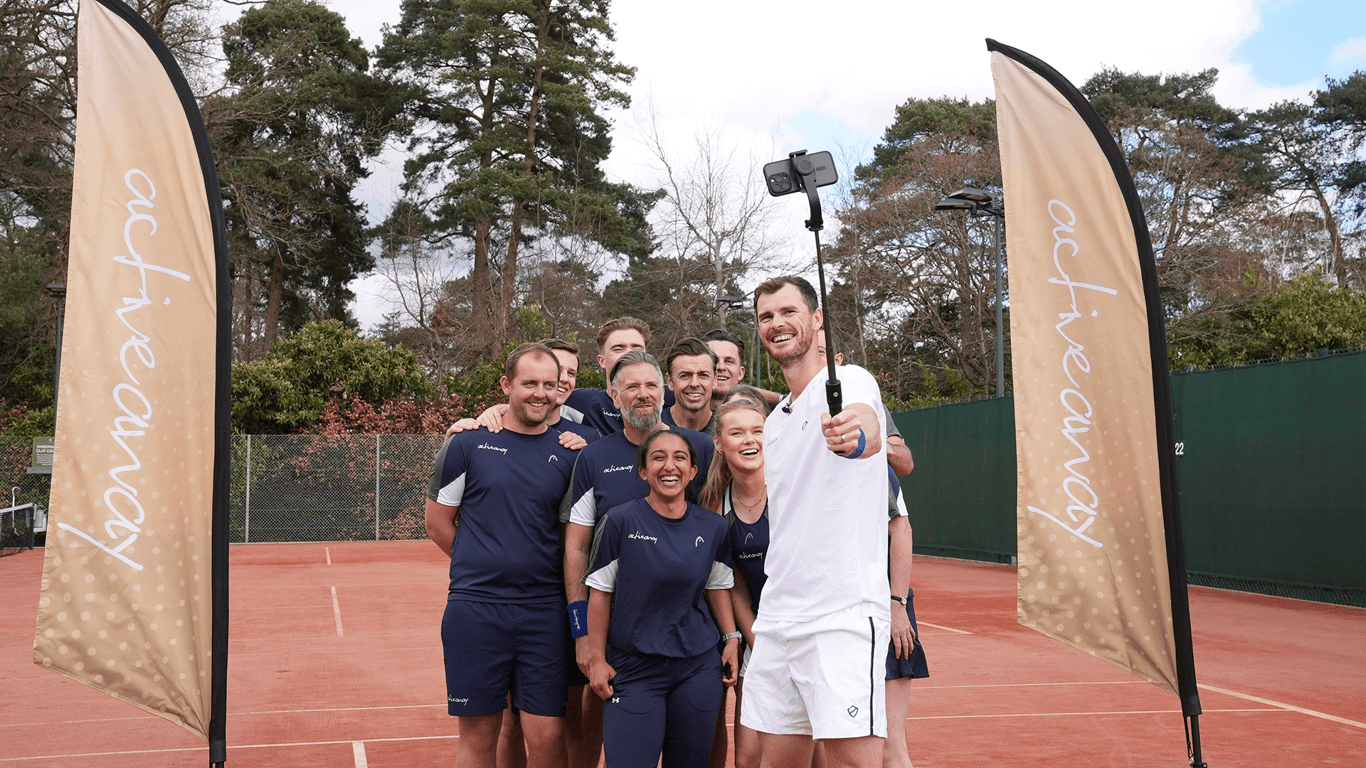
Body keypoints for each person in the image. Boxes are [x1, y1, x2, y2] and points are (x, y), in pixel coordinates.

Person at [742, 275, 890, 768]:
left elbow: (864, 425)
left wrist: (855, 437)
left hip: (841, 616)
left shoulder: (847, 381)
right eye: (766, 317)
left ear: (816, 319)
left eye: (788, 312)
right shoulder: (777, 421)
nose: (777, 324)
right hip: (780, 616)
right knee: (776, 761)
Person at [424, 342, 577, 768]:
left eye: (549, 384)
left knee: (547, 738)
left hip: (544, 613)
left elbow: (570, 537)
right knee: (478, 738)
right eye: (530, 383)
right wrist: (481, 558)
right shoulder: (465, 445)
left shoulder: (570, 454)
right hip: (475, 611)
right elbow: (437, 523)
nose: (540, 393)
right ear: (507, 385)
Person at [561, 350, 714, 768]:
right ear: (614, 396)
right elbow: (576, 547)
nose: (643, 395)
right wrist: (584, 638)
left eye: (650, 385)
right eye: (631, 387)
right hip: (624, 645)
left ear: (664, 391)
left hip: (692, 646)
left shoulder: (699, 447)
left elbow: (717, 541)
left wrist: (729, 637)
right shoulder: (593, 457)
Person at [583, 428, 740, 768]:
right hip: (634, 668)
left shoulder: (713, 527)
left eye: (680, 458)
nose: (670, 466)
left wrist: (731, 637)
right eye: (658, 458)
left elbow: (717, 587)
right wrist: (596, 658)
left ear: (693, 472)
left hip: (697, 667)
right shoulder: (619, 521)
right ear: (643, 472)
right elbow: (599, 595)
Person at [562, 317, 651, 435]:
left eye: (637, 348)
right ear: (602, 361)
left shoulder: (668, 400)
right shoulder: (582, 403)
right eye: (618, 349)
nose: (630, 354)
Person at [661, 337, 718, 433]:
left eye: (703, 375)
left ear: (715, 379)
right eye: (685, 376)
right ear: (670, 381)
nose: (694, 384)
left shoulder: (726, 431)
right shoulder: (653, 428)